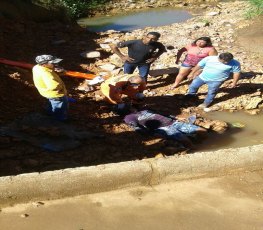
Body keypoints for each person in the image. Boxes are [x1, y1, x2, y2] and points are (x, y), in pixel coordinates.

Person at [124, 110, 207, 148]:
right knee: (187, 142)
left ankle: (197, 139)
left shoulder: (144, 110)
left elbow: (162, 113)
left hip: (174, 122)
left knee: (203, 131)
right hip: (165, 128)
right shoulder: (128, 117)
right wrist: (152, 134)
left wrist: (176, 117)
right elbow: (137, 128)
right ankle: (198, 150)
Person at [32, 54, 68, 121]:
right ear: (44, 64)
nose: (55, 64)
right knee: (60, 107)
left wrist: (61, 71)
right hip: (56, 94)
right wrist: (61, 88)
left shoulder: (37, 67)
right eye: (53, 63)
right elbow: (54, 86)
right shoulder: (47, 74)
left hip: (46, 93)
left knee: (51, 103)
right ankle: (59, 119)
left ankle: (49, 112)